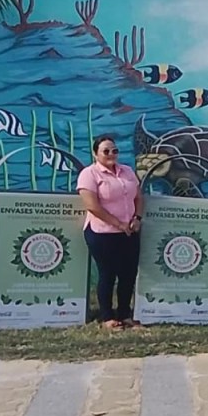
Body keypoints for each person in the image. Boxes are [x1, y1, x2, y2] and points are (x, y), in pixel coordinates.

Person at [77, 135, 144, 330]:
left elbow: (139, 197)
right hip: (102, 232)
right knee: (108, 273)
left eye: (114, 150)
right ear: (95, 153)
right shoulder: (89, 174)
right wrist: (118, 224)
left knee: (128, 273)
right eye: (106, 151)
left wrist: (137, 219)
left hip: (129, 231)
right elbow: (93, 206)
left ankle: (125, 313)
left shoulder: (128, 171)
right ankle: (107, 317)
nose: (111, 154)